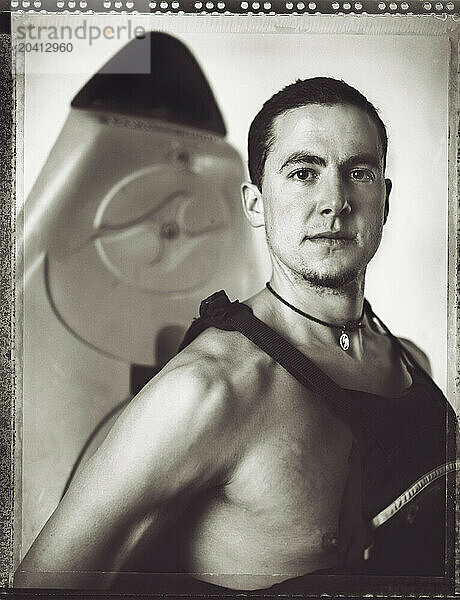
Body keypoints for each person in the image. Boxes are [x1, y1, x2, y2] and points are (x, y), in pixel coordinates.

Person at [15, 77, 456, 592]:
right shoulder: (208, 392)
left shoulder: (411, 364)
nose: (334, 201)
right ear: (255, 204)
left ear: (384, 198)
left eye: (358, 172)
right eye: (303, 173)